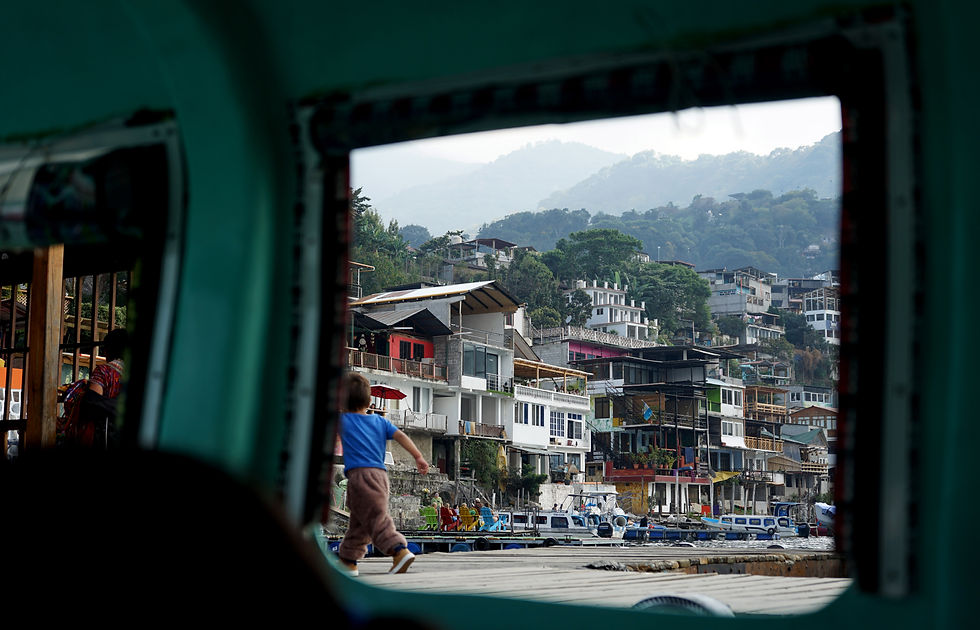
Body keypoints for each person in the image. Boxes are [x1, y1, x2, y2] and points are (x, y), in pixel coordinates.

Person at [337, 372, 429, 577]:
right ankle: (348, 561)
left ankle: (398, 550)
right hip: (380, 476)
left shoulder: (343, 420)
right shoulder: (380, 421)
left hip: (360, 476)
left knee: (375, 518)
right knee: (360, 521)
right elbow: (401, 436)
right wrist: (418, 456)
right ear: (369, 401)